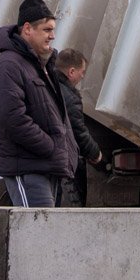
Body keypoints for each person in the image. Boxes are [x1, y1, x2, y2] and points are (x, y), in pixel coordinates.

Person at [0, 0, 78, 207]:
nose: (52, 36)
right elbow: (11, 118)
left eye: (53, 30)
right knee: (36, 235)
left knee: (44, 236)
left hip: (46, 167)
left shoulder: (40, 65)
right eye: (47, 30)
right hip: (28, 168)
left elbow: (55, 115)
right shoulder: (8, 65)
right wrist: (51, 147)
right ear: (27, 29)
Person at [55, 48, 105, 205]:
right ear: (71, 72)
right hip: (64, 161)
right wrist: (95, 154)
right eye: (82, 72)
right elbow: (78, 131)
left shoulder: (50, 86)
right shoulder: (69, 98)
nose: (82, 76)